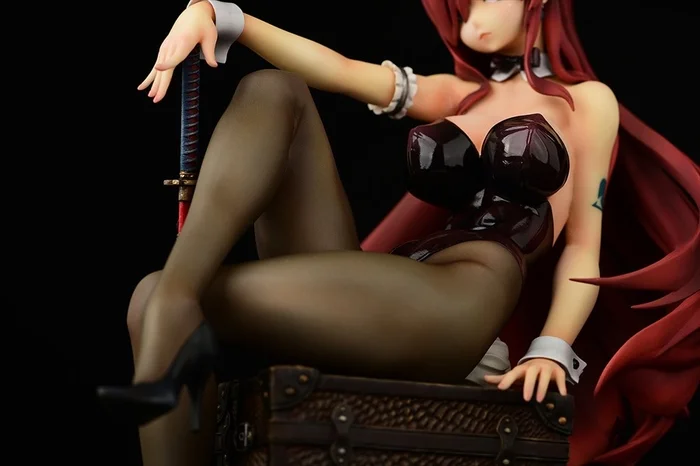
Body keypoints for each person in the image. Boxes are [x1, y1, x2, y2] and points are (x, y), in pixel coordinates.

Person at [98, 1, 700, 465]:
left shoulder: (587, 103)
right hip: (398, 285)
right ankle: (178, 292)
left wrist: (551, 348)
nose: (471, 12)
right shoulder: (457, 95)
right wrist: (221, 15)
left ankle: (175, 297)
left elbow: (582, 248)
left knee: (156, 297)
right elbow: (337, 70)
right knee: (276, 89)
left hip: (465, 298)